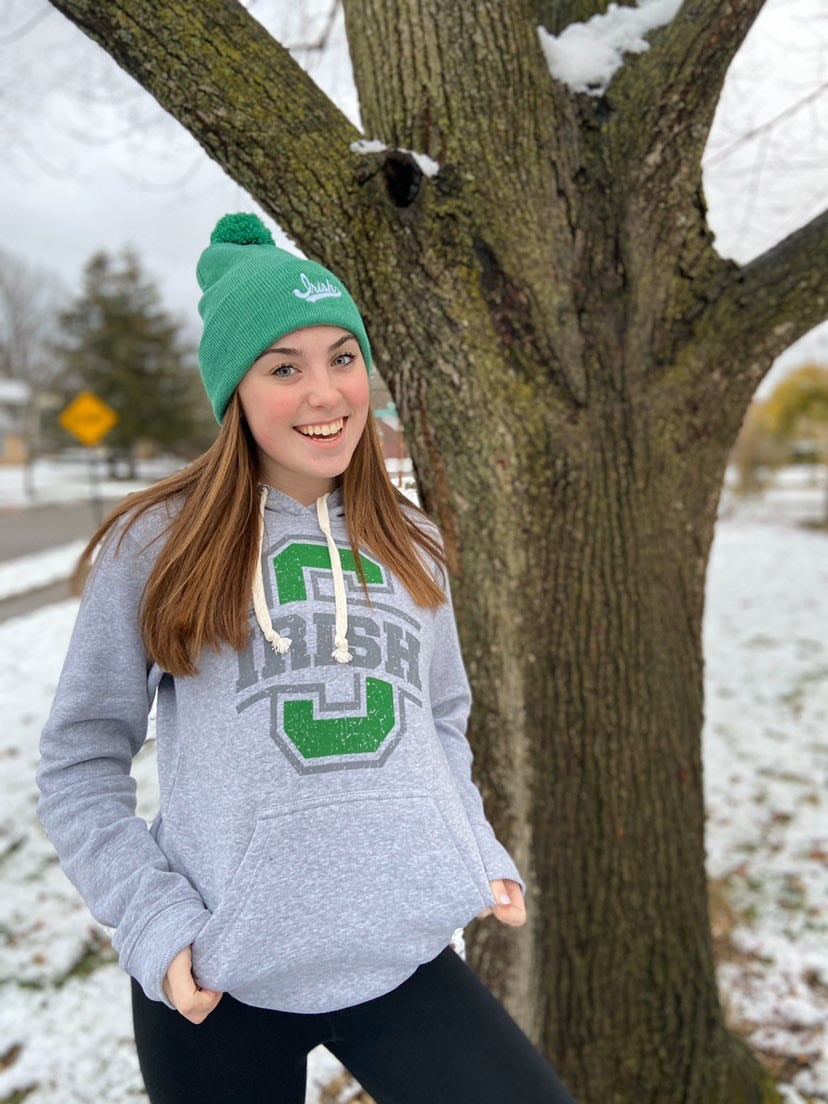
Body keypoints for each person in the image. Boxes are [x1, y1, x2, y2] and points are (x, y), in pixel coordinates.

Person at [36, 213, 576, 1104]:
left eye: (342, 357)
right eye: (284, 367)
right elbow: (80, 761)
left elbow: (439, 721)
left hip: (398, 955)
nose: (327, 394)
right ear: (234, 392)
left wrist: (468, 844)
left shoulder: (416, 546)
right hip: (219, 978)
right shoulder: (157, 544)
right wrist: (156, 925)